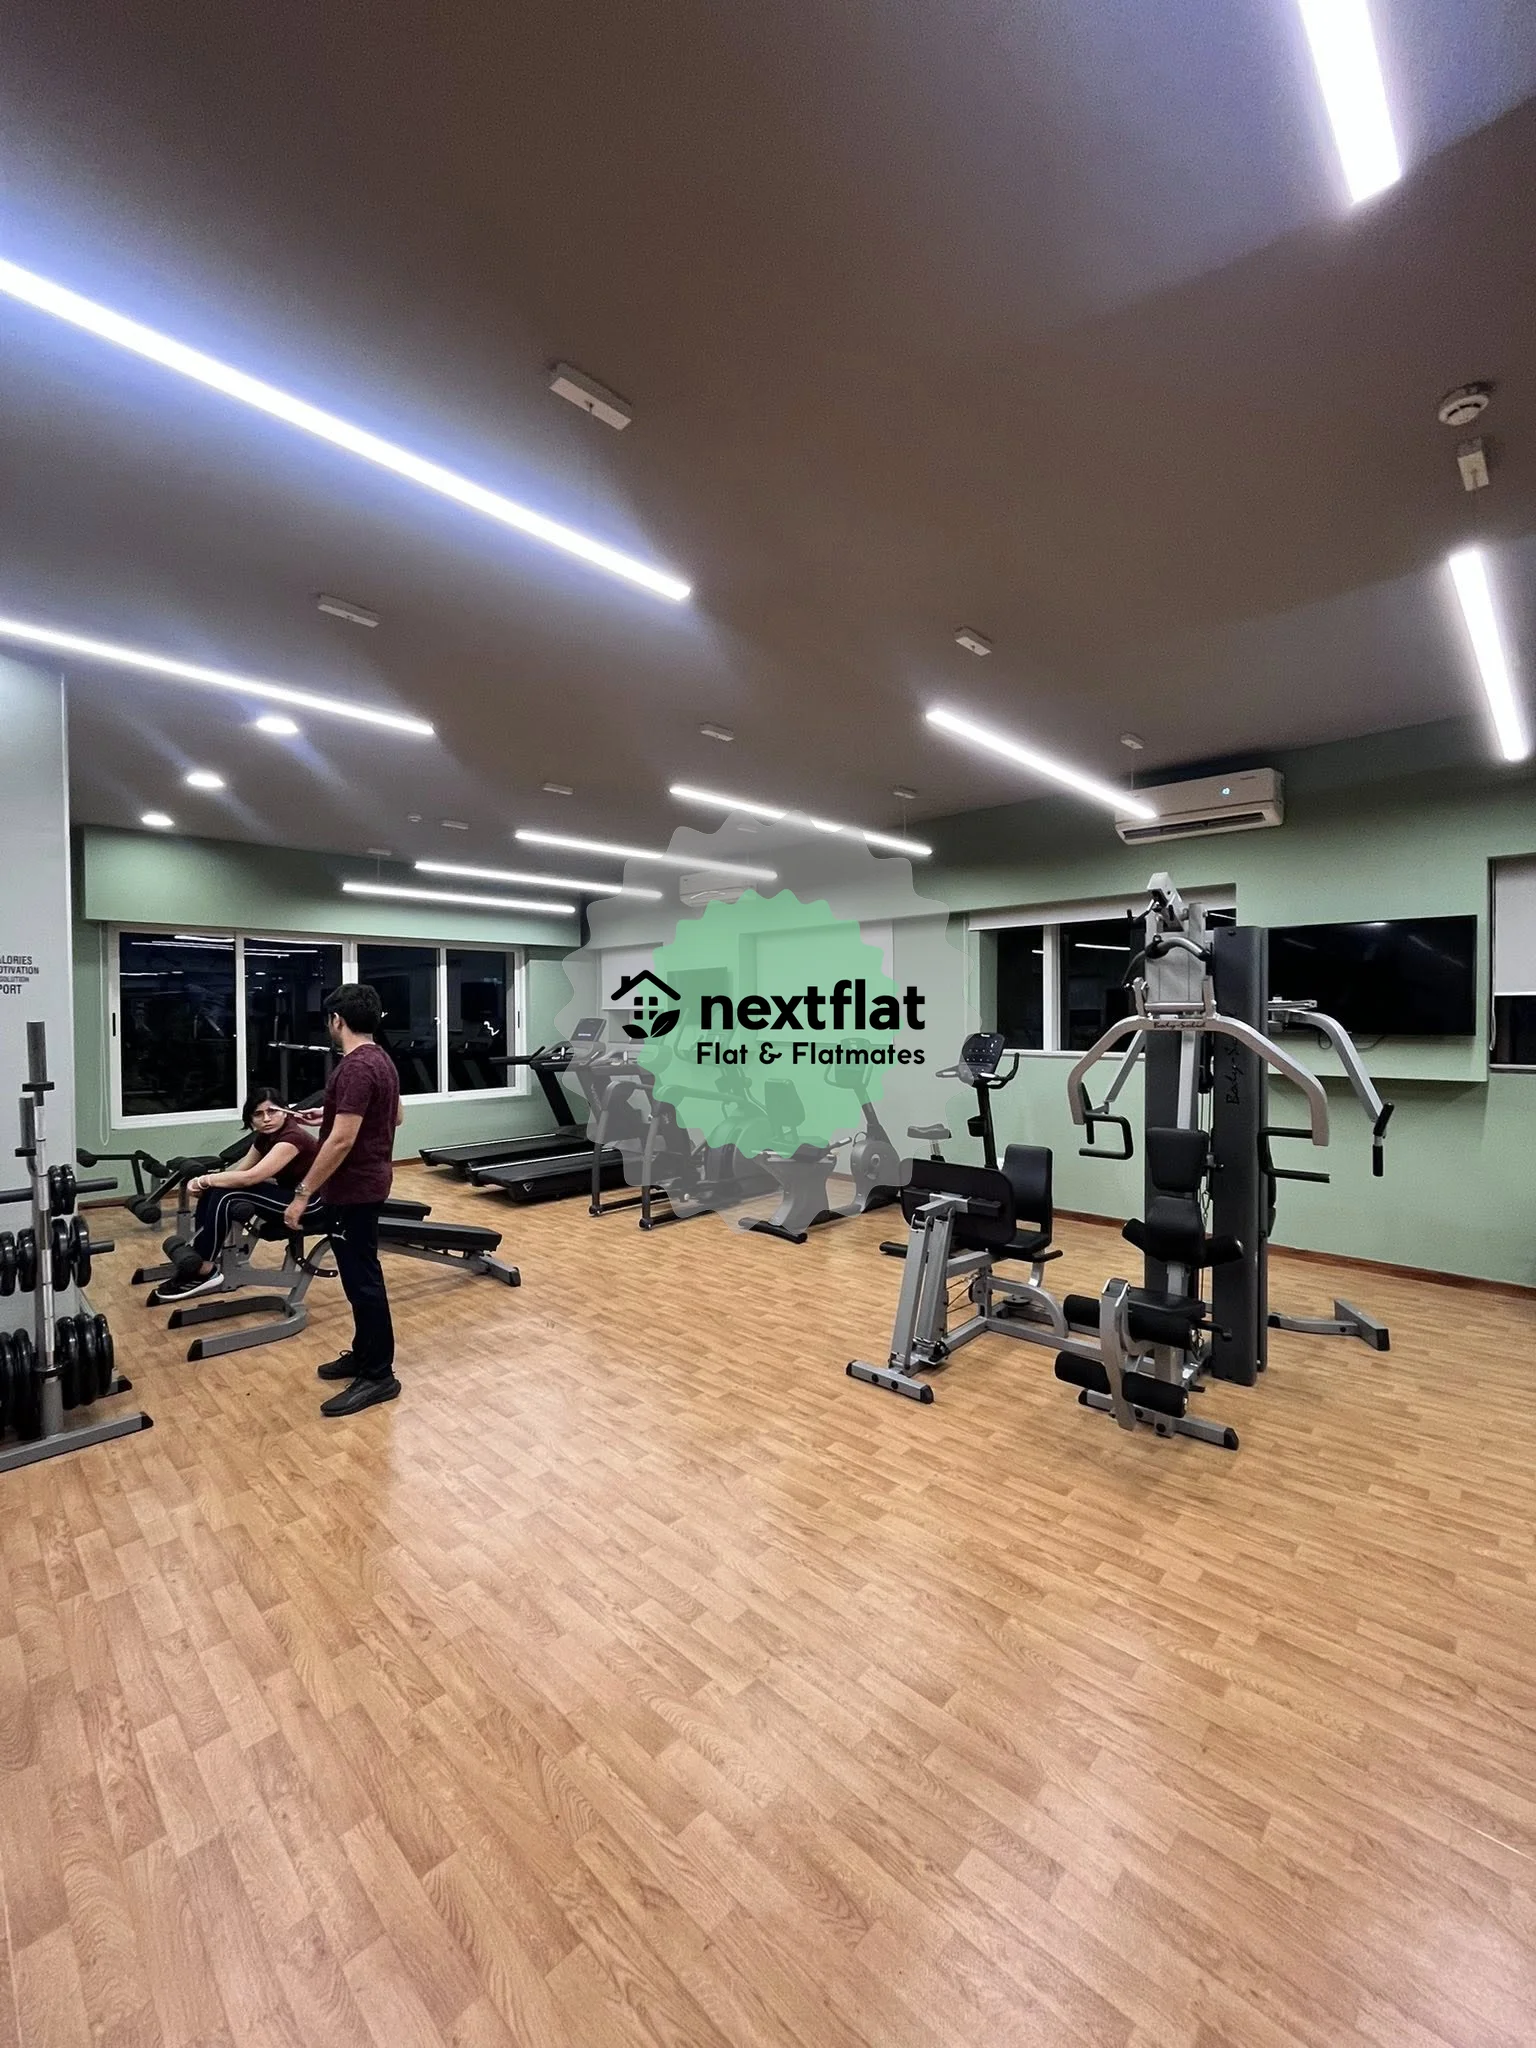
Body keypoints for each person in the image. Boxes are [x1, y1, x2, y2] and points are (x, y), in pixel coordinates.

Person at [284, 982, 404, 1416]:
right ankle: (364, 1353)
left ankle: (379, 1375)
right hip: (368, 1182)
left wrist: (302, 1194)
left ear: (337, 1020)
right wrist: (329, 1112)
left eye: (329, 1020)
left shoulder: (354, 1067)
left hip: (354, 1189)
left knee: (363, 1281)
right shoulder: (381, 1059)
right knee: (359, 1280)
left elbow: (340, 1142)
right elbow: (395, 1115)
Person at [155, 1087, 320, 1302]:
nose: (266, 1119)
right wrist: (209, 1185)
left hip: (313, 1204)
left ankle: (204, 1269)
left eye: (272, 1111)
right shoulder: (264, 1138)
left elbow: (252, 1177)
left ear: (285, 1112)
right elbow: (239, 1173)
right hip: (291, 1196)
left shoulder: (292, 1137)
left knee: (226, 1194)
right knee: (219, 1189)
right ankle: (199, 1256)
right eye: (258, 1114)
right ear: (250, 1119)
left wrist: (204, 1180)